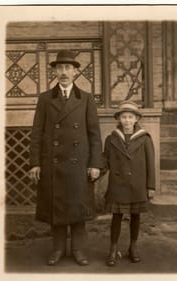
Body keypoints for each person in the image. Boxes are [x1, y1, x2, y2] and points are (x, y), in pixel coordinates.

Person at [29, 50, 102, 266]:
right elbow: (36, 133)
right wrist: (34, 163)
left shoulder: (86, 99)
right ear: (55, 71)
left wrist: (95, 163)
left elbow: (94, 134)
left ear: (75, 72)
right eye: (60, 68)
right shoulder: (45, 99)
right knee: (57, 206)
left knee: (78, 205)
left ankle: (78, 250)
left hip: (79, 164)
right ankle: (58, 249)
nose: (64, 72)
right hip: (52, 162)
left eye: (68, 68)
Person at [102, 100, 155, 267]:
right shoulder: (111, 138)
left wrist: (150, 186)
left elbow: (150, 163)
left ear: (136, 119)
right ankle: (113, 248)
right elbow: (105, 160)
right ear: (119, 119)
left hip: (137, 184)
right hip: (118, 183)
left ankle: (133, 247)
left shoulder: (145, 139)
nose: (127, 120)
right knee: (116, 217)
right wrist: (97, 169)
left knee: (135, 216)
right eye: (124, 117)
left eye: (130, 117)